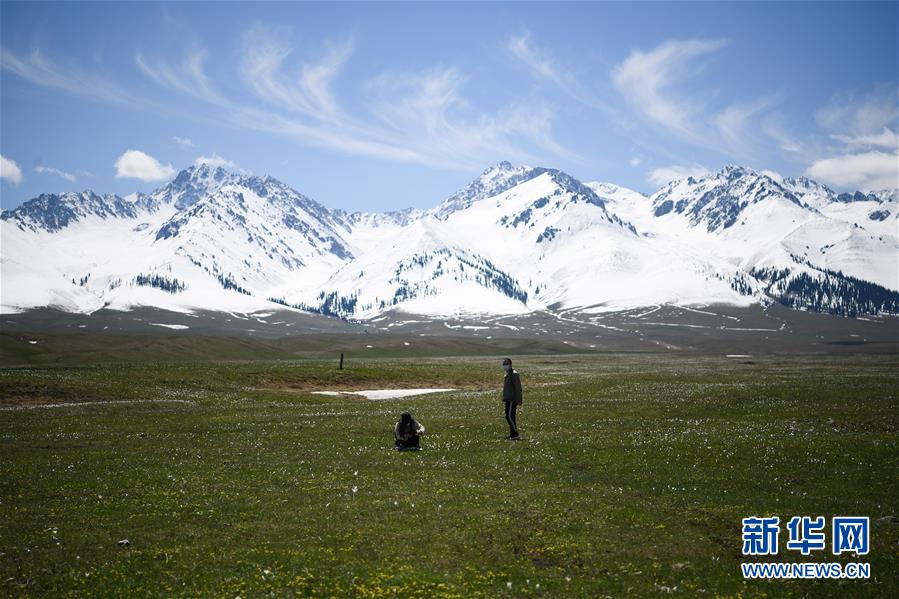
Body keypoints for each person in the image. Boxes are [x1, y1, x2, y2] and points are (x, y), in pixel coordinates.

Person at [502, 358, 523, 439]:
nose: (505, 365)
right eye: (504, 364)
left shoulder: (514, 374)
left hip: (512, 399)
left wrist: (519, 399)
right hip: (508, 399)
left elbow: (518, 388)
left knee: (509, 416)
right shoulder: (507, 374)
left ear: (510, 365)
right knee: (511, 416)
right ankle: (512, 433)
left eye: (506, 364)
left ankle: (515, 434)